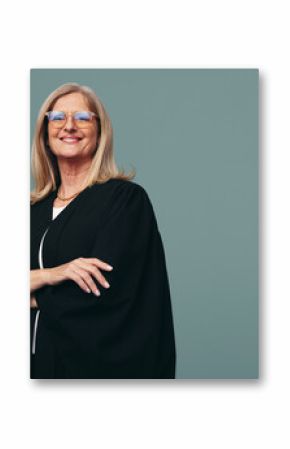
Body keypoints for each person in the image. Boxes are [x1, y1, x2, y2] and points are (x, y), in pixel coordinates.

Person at [30, 82, 176, 379]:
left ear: (100, 134)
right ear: (45, 134)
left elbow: (107, 290)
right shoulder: (31, 210)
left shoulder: (124, 201)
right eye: (57, 117)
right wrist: (53, 274)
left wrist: (31, 294)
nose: (69, 126)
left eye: (82, 117)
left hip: (90, 374)